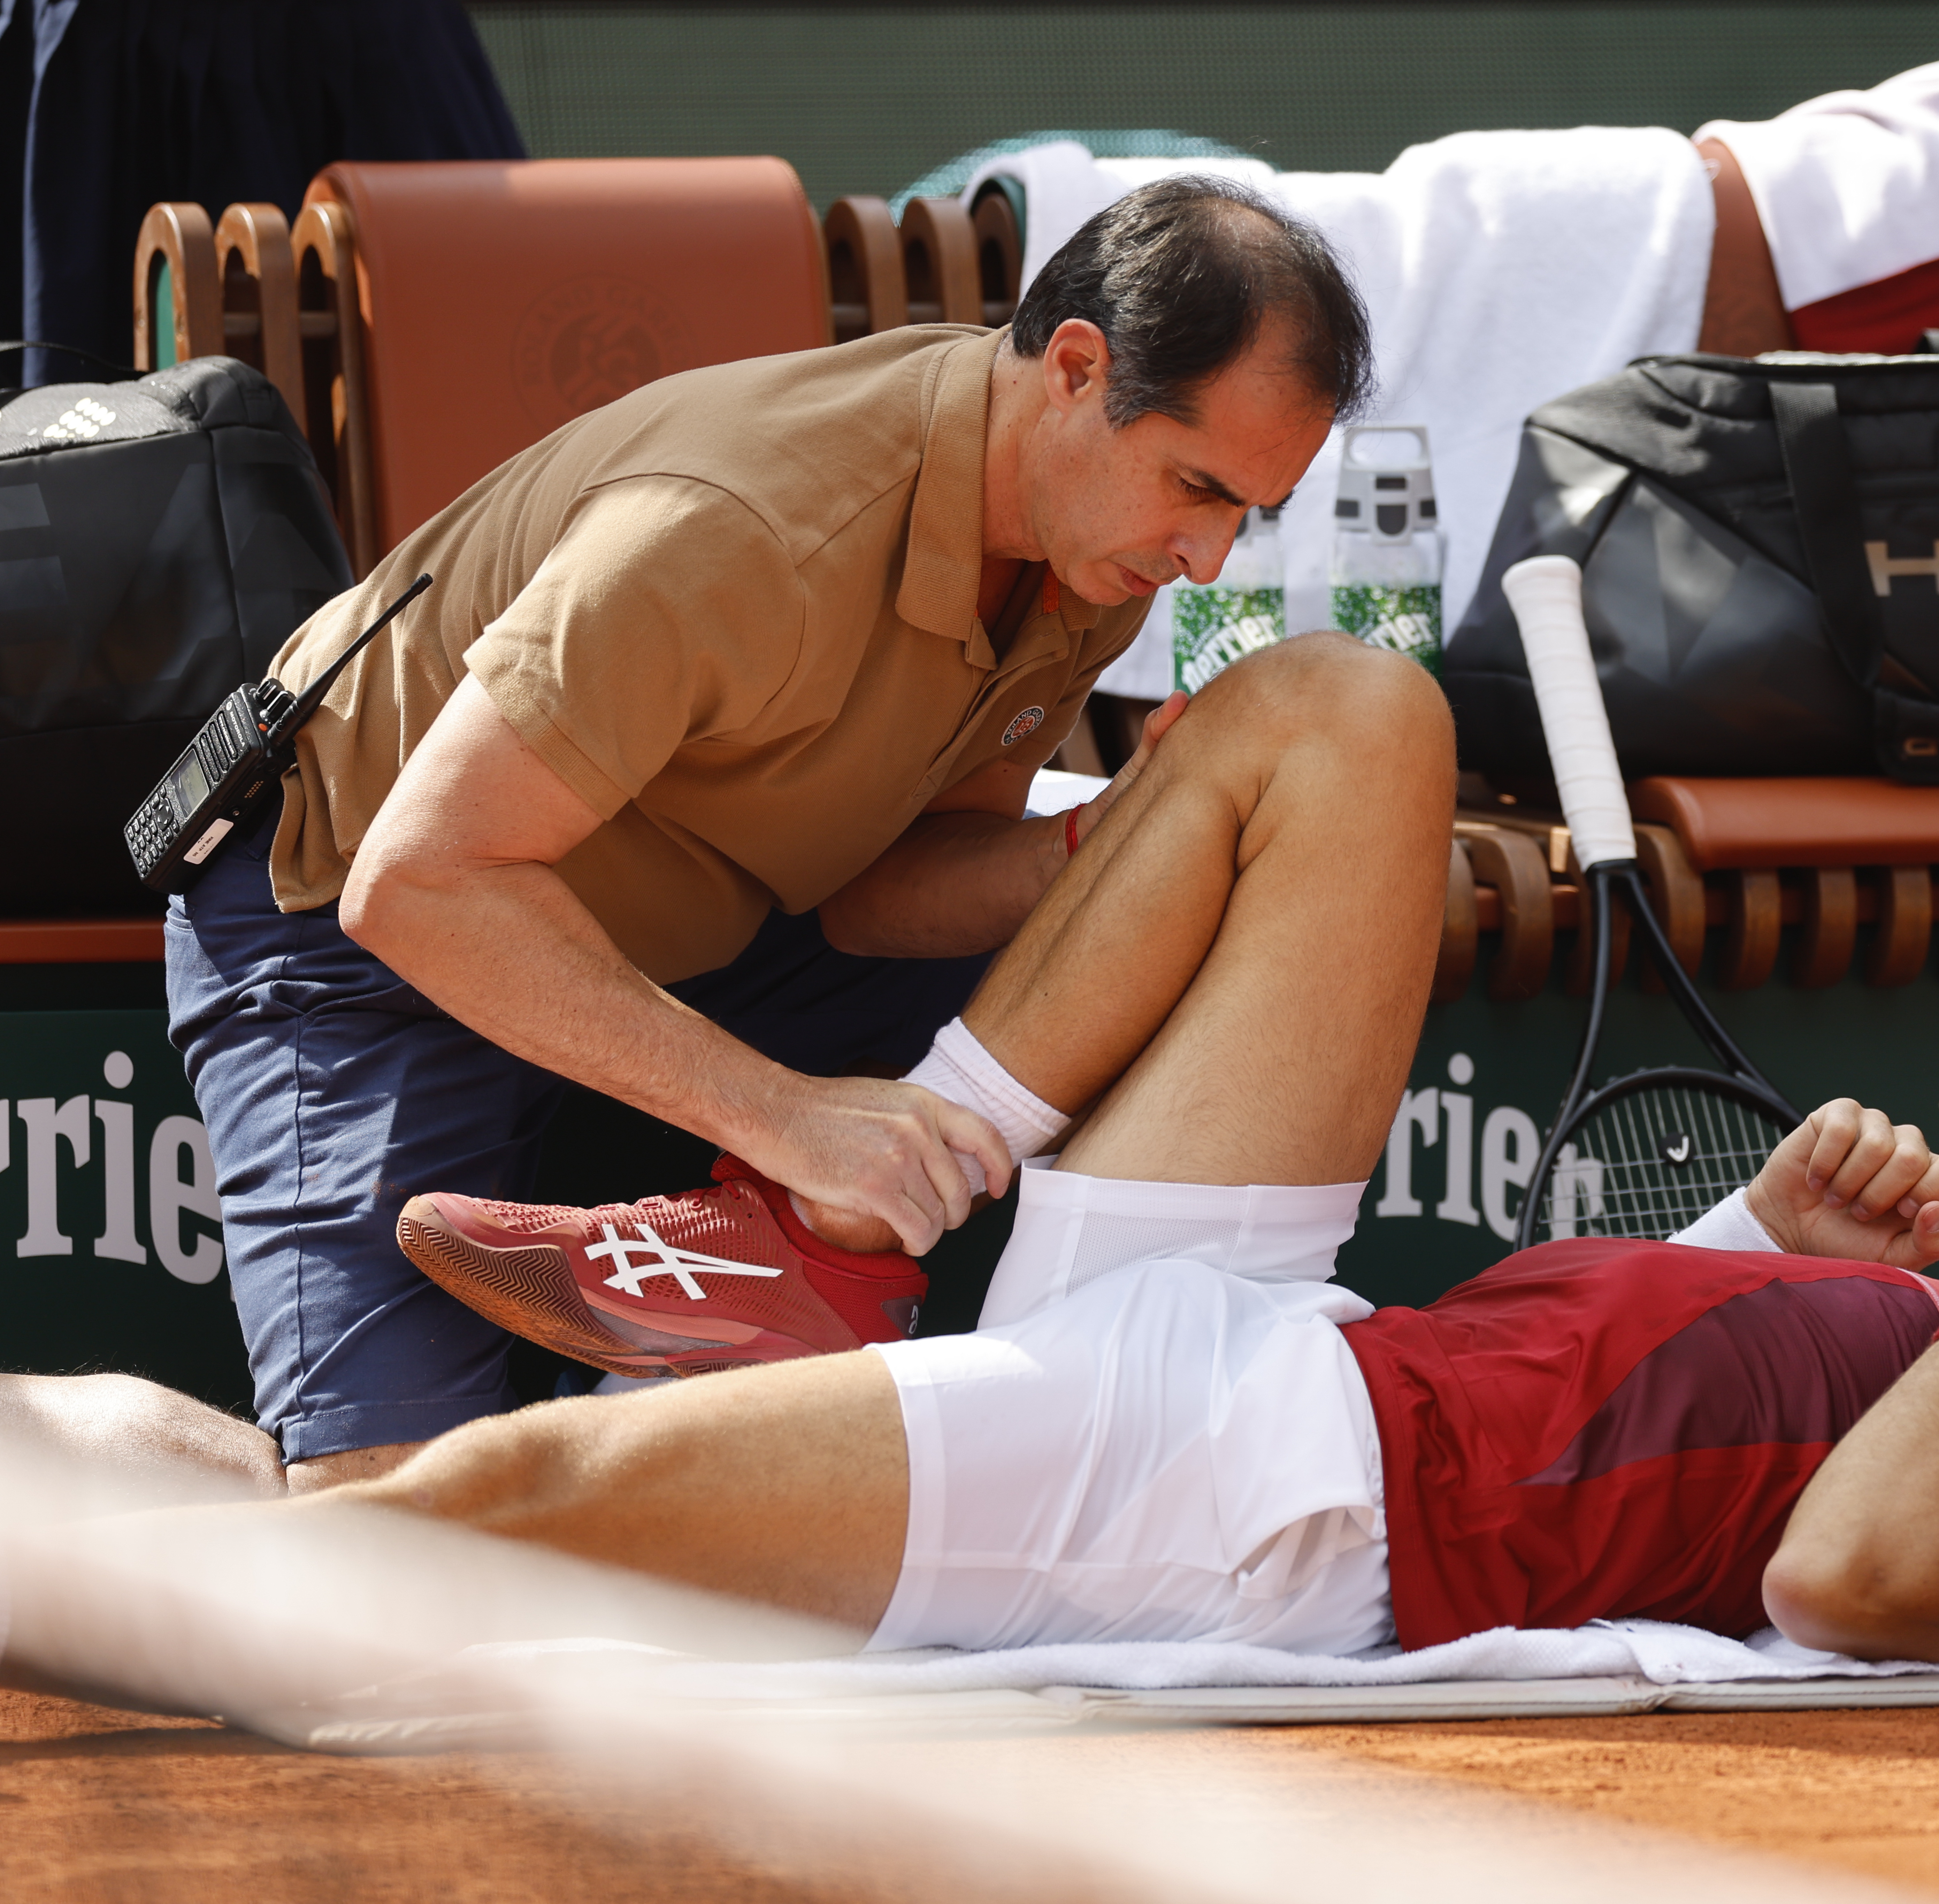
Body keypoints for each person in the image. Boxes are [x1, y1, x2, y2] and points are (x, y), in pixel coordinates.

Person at [10, 635, 1939, 1684]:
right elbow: (1667, 1398)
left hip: (1252, 1488)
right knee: (1342, 713)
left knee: (455, 1508)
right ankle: (827, 1238)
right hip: (1291, 1325)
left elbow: (1838, 1575)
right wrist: (1761, 1248)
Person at [163, 176, 1372, 1491]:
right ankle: (56, 1486)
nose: (1208, 557)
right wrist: (788, 1120)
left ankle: (814, 1310)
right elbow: (420, 884)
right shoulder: (739, 523)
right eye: (1197, 486)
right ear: (1077, 370)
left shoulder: (1088, 559)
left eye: (1248, 511)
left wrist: (1112, 843)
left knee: (1133, 937)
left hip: (704, 936)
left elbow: (881, 899)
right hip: (365, 935)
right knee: (395, 1532)